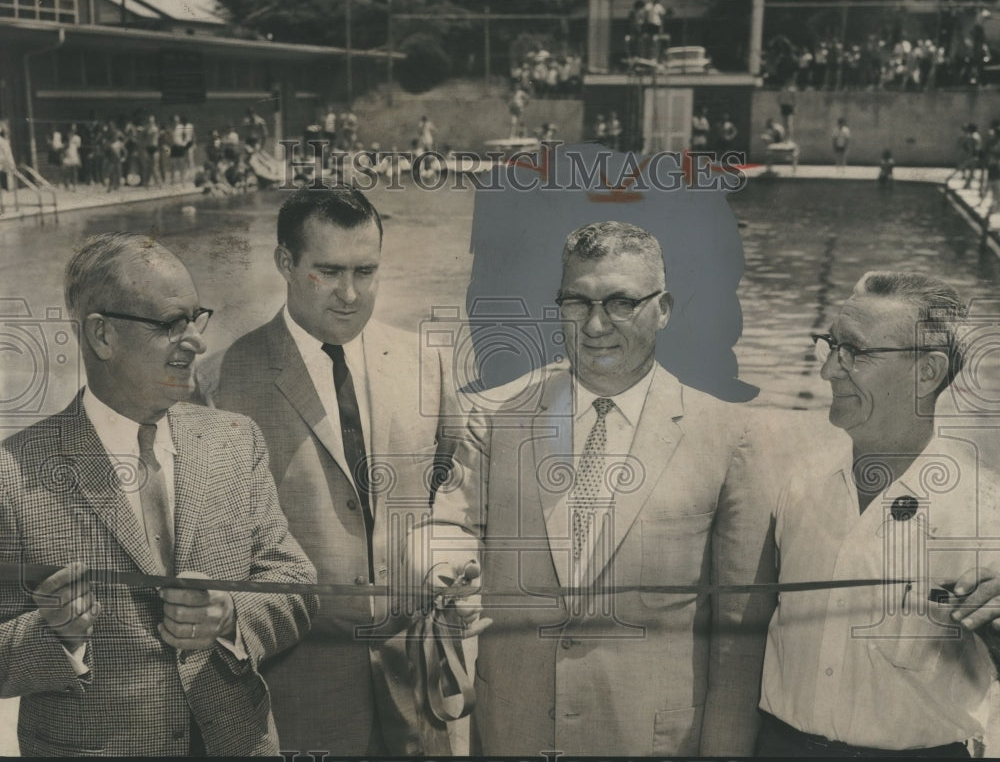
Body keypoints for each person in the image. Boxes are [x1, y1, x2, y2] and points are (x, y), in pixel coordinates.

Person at [420, 220, 777, 756]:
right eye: (576, 302)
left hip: (656, 743)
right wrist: (445, 570)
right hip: (514, 733)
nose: (595, 324)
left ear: (664, 308)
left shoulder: (731, 437)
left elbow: (737, 637)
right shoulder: (493, 416)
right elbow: (450, 522)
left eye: (621, 303)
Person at [0, 232, 317, 755]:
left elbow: (296, 585)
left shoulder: (236, 441)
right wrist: (55, 633)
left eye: (197, 318)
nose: (196, 341)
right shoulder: (13, 473)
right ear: (101, 336)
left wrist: (232, 614)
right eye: (171, 324)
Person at [201, 186, 462, 756]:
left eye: (366, 271)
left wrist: (449, 554)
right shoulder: (218, 381)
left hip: (417, 693)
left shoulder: (428, 362)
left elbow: (458, 488)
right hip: (293, 693)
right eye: (328, 271)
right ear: (285, 263)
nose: (350, 294)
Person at [757, 271, 1000, 758]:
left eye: (856, 352)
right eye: (830, 345)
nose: (828, 371)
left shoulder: (986, 512)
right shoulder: (791, 481)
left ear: (927, 373)